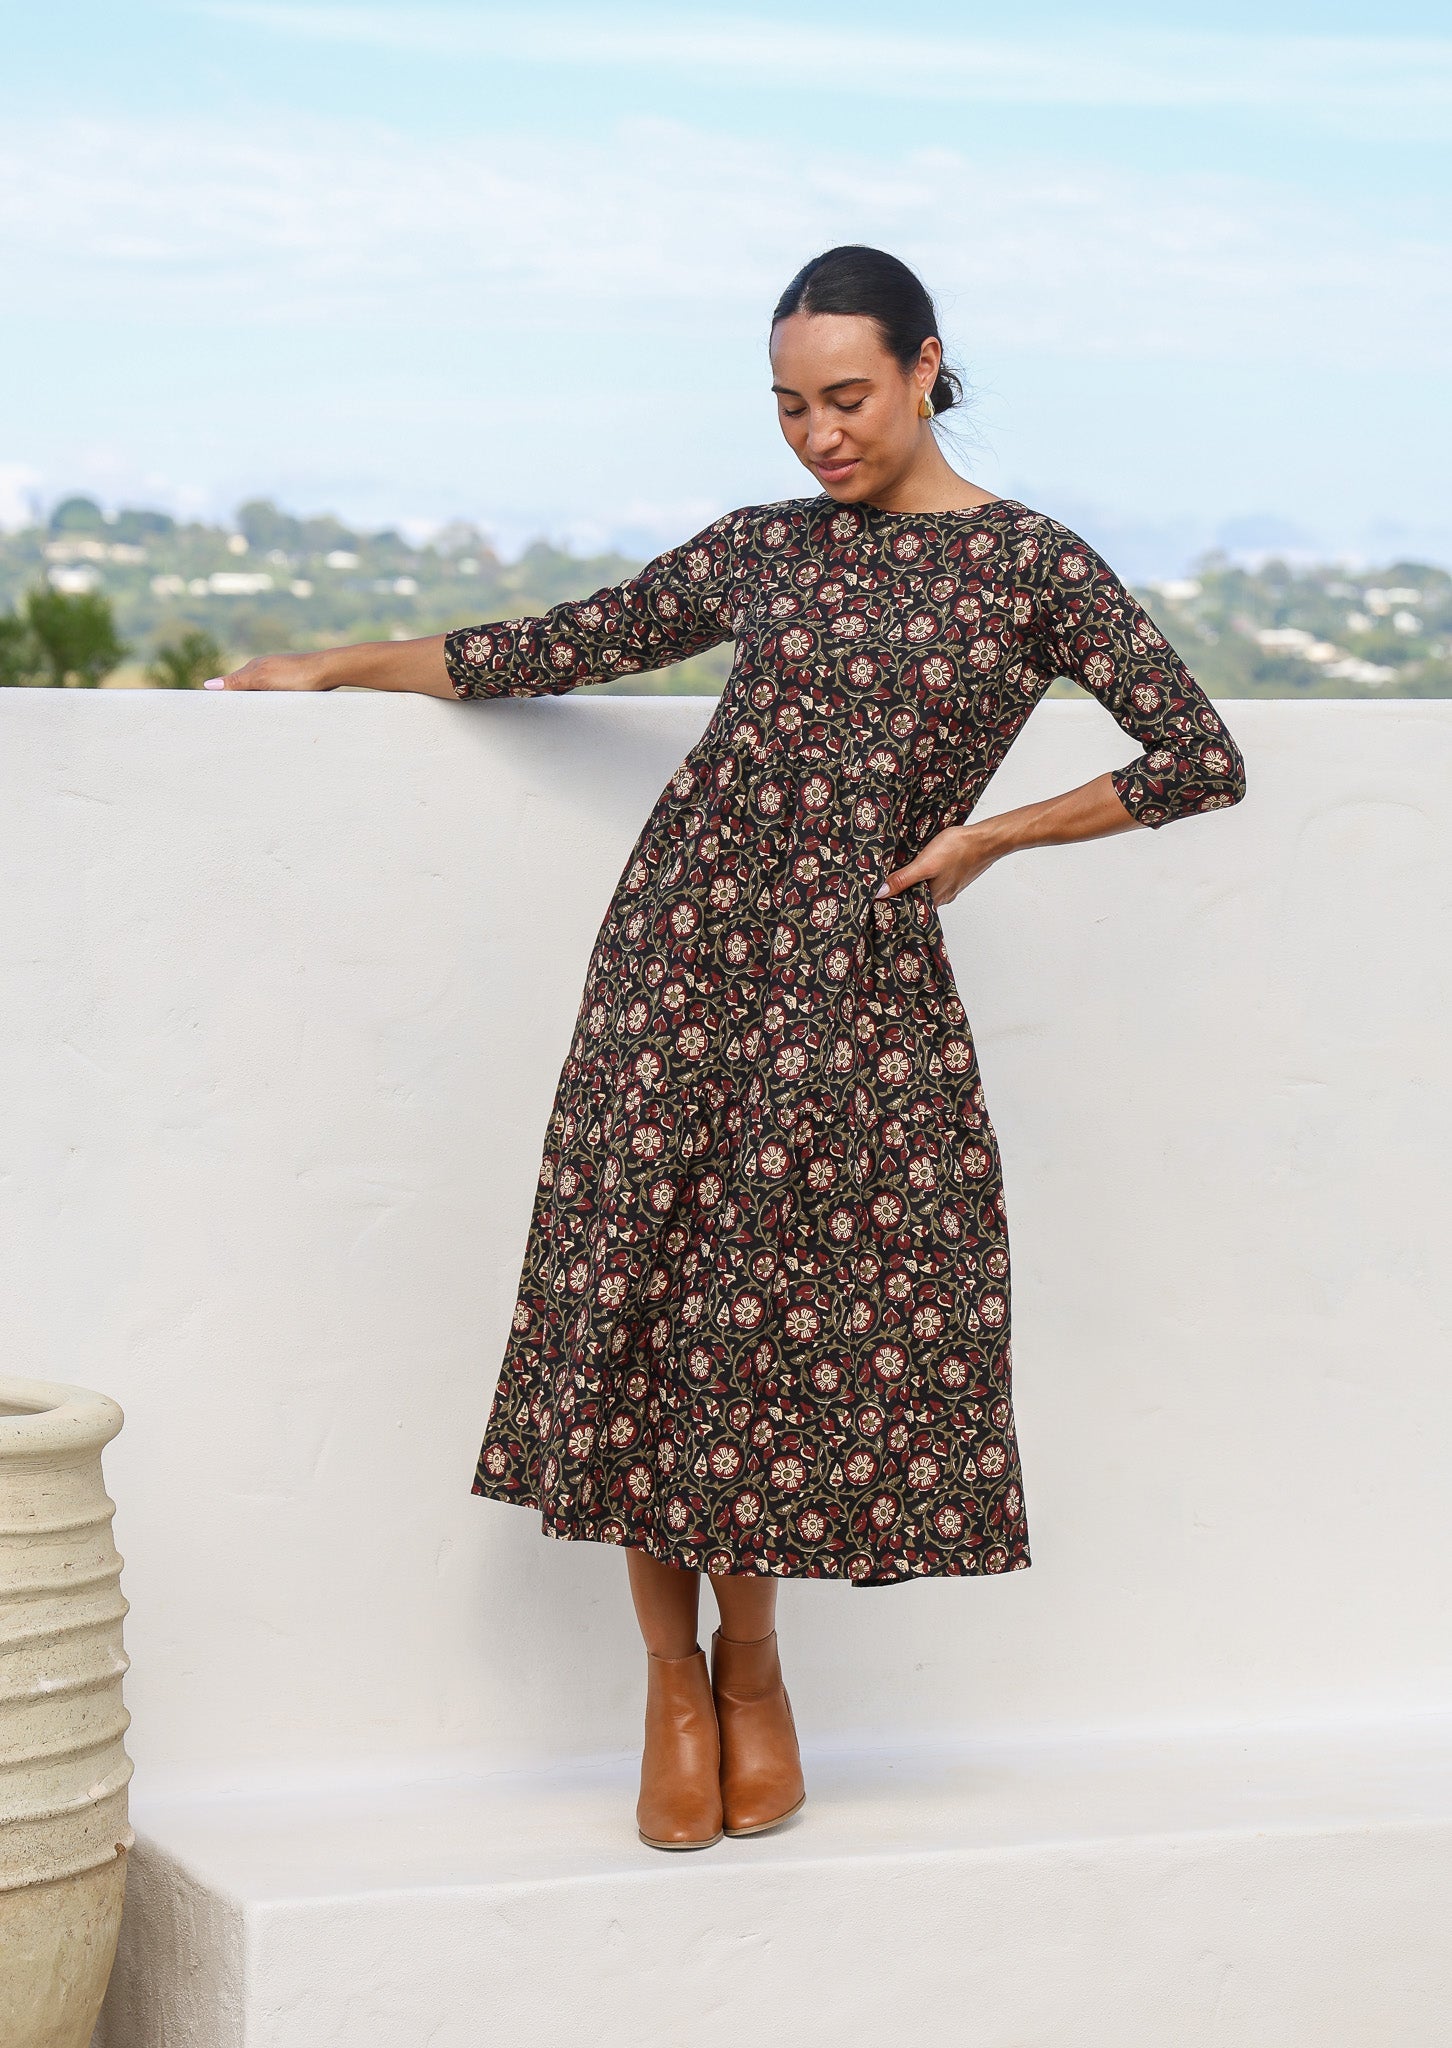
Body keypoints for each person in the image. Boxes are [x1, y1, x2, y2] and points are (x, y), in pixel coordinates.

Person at [209, 244, 1248, 1852]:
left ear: (923, 366)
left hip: (853, 1000)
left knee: (762, 1351)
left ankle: (752, 1675)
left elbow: (1197, 755)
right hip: (675, 976)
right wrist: (340, 661)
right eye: (787, 406)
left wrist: (989, 838)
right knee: (641, 1317)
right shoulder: (763, 551)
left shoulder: (1033, 566)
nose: (818, 435)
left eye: (846, 397)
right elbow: (556, 646)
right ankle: (667, 1686)